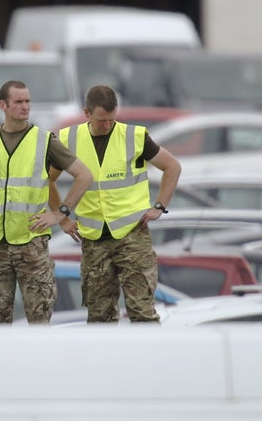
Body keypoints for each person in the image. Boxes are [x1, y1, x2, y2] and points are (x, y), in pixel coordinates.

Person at [49, 85, 182, 323]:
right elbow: (47, 180)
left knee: (142, 312)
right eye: (102, 120)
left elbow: (172, 167)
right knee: (99, 316)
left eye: (112, 119)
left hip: (132, 236)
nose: (107, 125)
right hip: (93, 239)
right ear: (86, 113)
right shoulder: (69, 138)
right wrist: (63, 219)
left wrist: (159, 206)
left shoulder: (134, 137)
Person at [0, 80, 93, 324]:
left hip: (31, 244)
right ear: (2, 105)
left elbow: (84, 175)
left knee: (39, 318)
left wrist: (59, 214)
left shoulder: (44, 140)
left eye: (27, 101)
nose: (25, 106)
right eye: (19, 102)